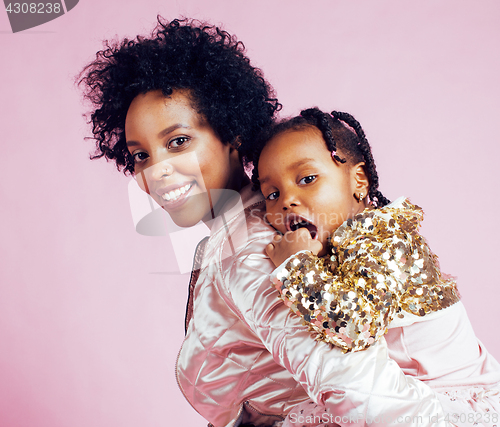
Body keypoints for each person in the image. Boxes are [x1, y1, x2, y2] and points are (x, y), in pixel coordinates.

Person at [80, 18, 453, 427]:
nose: (158, 170)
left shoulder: (252, 247)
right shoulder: (254, 226)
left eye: (178, 142)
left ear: (231, 132)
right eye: (141, 155)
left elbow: (365, 391)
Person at [252, 107, 500, 427]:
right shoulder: (339, 244)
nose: (287, 200)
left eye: (307, 179)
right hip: (409, 394)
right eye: (272, 193)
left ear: (359, 180)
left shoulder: (383, 238)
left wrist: (295, 264)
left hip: (458, 405)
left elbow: (355, 327)